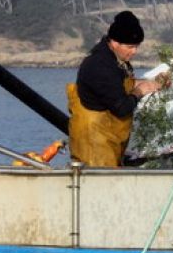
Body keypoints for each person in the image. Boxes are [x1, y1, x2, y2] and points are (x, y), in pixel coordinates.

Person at [67, 11, 163, 167]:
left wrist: (152, 84)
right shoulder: (99, 65)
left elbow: (119, 86)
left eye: (137, 46)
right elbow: (122, 107)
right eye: (130, 47)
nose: (134, 52)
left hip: (109, 140)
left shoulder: (116, 60)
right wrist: (140, 91)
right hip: (95, 145)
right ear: (115, 42)